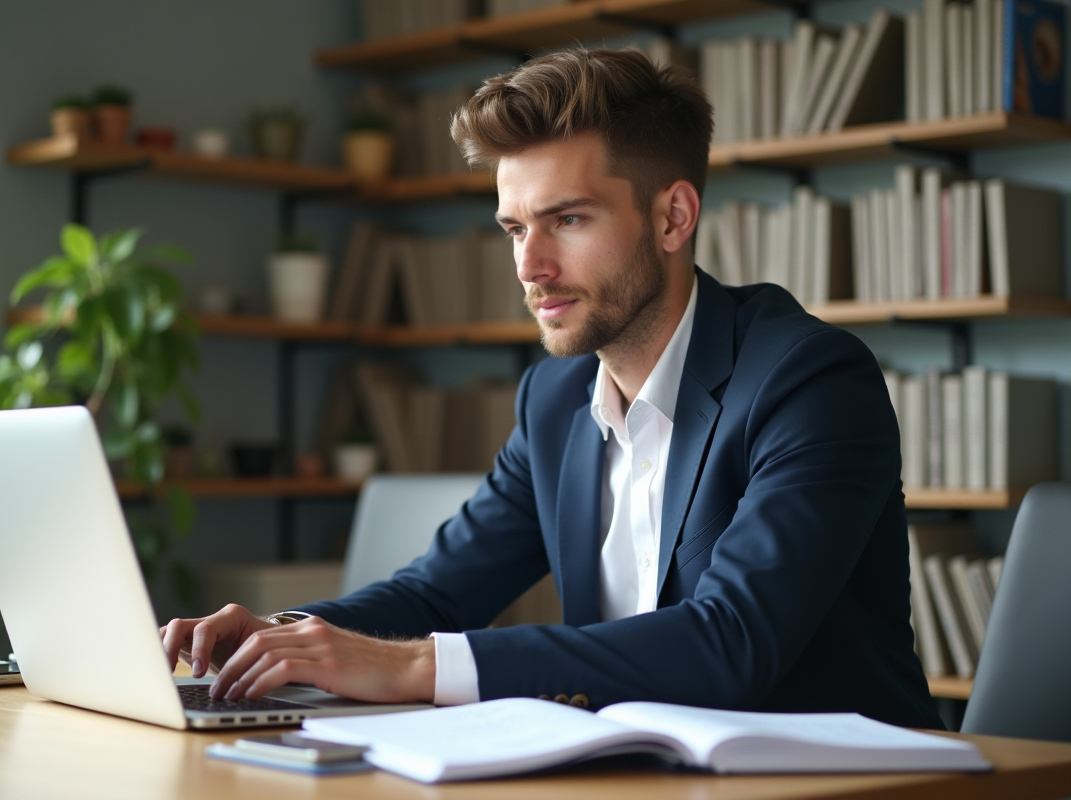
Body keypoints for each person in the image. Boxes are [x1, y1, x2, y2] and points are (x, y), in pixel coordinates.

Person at [161, 48, 942, 729]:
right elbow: (439, 592)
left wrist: (408, 669)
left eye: (566, 220)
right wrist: (279, 636)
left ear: (673, 217)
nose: (529, 267)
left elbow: (731, 641)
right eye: (513, 228)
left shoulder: (810, 379)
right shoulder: (555, 399)